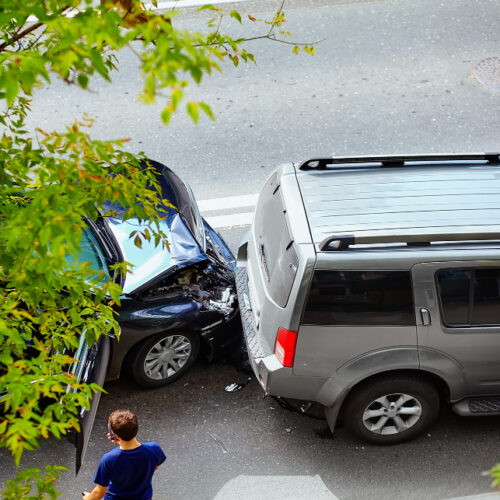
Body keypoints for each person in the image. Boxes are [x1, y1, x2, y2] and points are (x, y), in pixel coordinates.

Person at [82, 409, 166, 500]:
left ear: (117, 436)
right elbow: (156, 466)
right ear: (136, 428)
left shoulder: (109, 459)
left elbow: (99, 492)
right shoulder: (154, 449)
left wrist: (87, 498)